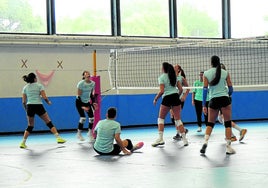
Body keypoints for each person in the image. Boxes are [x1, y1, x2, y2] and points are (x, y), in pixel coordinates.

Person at [20, 73, 66, 149]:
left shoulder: (25, 88)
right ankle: (58, 138)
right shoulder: (39, 86)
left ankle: (23, 143)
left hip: (30, 107)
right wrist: (48, 102)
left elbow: (23, 101)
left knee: (30, 126)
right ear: (34, 78)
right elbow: (44, 97)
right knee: (48, 122)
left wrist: (26, 109)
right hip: (38, 106)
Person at [200, 55, 235, 155]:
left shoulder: (206, 73)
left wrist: (203, 105)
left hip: (213, 100)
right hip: (224, 98)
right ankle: (228, 147)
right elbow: (231, 89)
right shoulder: (225, 73)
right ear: (219, 62)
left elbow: (205, 90)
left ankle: (205, 143)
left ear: (211, 62)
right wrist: (227, 96)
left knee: (210, 123)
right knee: (227, 123)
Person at [152, 62, 188, 147]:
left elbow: (162, 91)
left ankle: (160, 139)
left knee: (161, 118)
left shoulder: (162, 77)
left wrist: (156, 99)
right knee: (178, 119)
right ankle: (185, 140)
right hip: (175, 97)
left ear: (164, 68)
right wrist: (177, 97)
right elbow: (181, 89)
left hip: (167, 98)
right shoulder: (174, 77)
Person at [218, 63, 247, 142]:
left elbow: (229, 88)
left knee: (223, 118)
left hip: (222, 97)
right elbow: (230, 88)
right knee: (221, 119)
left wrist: (226, 96)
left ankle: (239, 131)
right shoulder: (225, 76)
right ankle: (232, 135)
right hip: (225, 97)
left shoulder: (220, 76)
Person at [76, 71, 98, 142]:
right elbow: (78, 96)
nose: (88, 74)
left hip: (87, 102)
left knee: (92, 118)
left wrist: (94, 102)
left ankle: (89, 133)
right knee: (83, 118)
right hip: (79, 102)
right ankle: (79, 134)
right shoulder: (81, 84)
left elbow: (92, 95)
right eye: (86, 74)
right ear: (84, 76)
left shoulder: (93, 83)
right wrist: (83, 107)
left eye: (89, 73)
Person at [171, 64, 190, 140]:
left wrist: (184, 96)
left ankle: (180, 132)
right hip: (172, 98)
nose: (174, 67)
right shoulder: (171, 77)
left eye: (175, 67)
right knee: (173, 117)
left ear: (178, 70)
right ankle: (183, 130)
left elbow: (188, 88)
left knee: (176, 116)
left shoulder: (181, 78)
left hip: (179, 99)